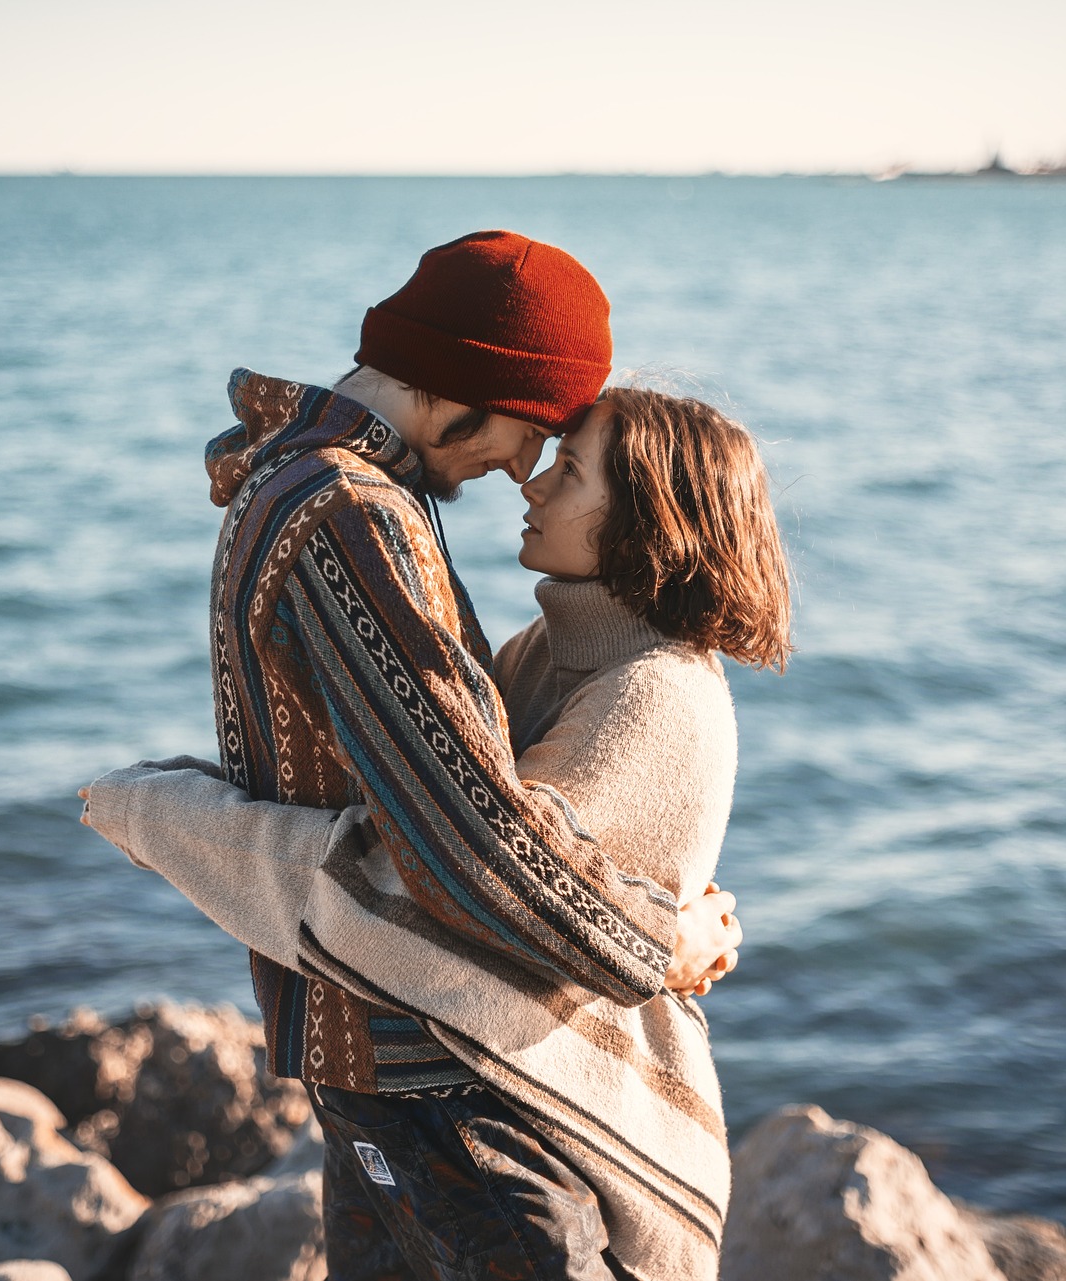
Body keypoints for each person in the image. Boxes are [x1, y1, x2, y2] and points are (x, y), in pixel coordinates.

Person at [82, 233, 768, 1279]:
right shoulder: (350, 514)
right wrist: (660, 941)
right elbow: (475, 850)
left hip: (392, 1055)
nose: (519, 471)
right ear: (458, 394)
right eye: (528, 434)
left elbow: (448, 801)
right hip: (433, 1075)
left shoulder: (305, 490)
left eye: (557, 458)